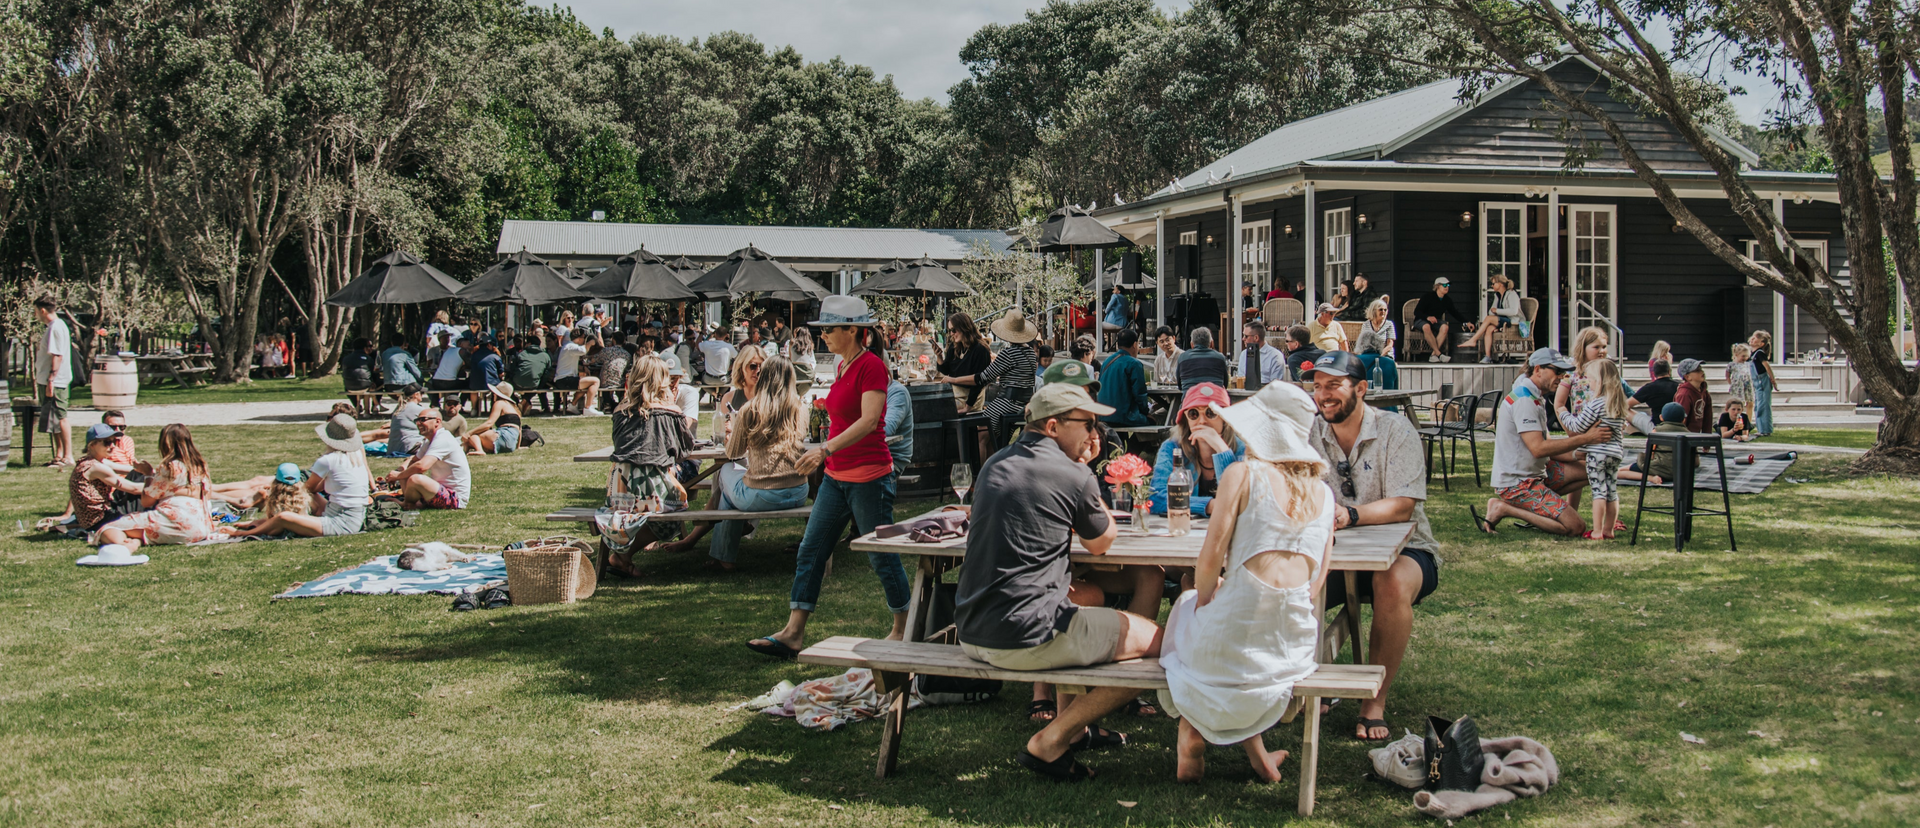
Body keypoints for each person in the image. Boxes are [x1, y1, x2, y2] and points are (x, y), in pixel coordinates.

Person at [952, 382, 1162, 782]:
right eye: (1086, 424)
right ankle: (1053, 738)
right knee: (1162, 643)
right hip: (1025, 637)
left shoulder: (995, 462)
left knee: (1084, 605)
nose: (1094, 435)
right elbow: (1101, 543)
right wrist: (1083, 470)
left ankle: (1077, 729)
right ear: (1053, 426)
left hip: (973, 630)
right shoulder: (1072, 472)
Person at [1161, 380, 1331, 782]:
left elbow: (1209, 562)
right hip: (1291, 653)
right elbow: (1316, 582)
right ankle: (1258, 757)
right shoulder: (1325, 495)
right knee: (1238, 620)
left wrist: (1204, 598)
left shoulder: (1242, 475)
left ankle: (1190, 727)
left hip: (1232, 650)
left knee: (1186, 607)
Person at [747, 296, 909, 661]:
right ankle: (792, 633)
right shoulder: (841, 365)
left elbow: (869, 421)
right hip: (837, 478)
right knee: (811, 549)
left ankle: (904, 627)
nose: (824, 337)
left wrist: (824, 449)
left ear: (853, 329)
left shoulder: (872, 367)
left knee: (881, 557)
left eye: (830, 329)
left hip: (869, 478)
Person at [1300, 350, 1441, 741]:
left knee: (1391, 582)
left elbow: (1403, 505)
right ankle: (1311, 682)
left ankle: (1373, 701)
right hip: (1332, 553)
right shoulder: (1309, 433)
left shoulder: (1395, 430)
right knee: (1289, 583)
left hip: (1407, 549)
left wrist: (1351, 516)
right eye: (1317, 387)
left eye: (1333, 385)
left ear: (1361, 389)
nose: (1323, 395)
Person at [1474, 348, 1609, 536]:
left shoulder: (1535, 395)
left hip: (1538, 474)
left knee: (1593, 468)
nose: (1562, 377)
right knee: (1576, 527)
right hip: (1518, 484)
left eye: (1564, 372)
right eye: (1557, 371)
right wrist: (1587, 438)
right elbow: (1539, 449)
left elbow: (1548, 448)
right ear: (1538, 370)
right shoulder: (1524, 400)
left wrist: (1581, 454)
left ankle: (1548, 507)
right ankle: (1504, 508)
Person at [603, 357, 695, 576]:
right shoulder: (669, 411)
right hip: (652, 482)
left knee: (645, 512)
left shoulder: (621, 410)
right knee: (674, 517)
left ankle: (623, 557)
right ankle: (623, 556)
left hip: (619, 484)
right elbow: (683, 450)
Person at [225, 415, 370, 538]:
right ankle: (264, 523)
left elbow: (309, 488)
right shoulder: (354, 455)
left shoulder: (327, 460)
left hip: (341, 523)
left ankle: (240, 533)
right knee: (302, 503)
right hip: (353, 514)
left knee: (285, 516)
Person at [95, 424, 215, 551]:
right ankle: (136, 540)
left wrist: (148, 475)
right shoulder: (201, 465)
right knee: (140, 529)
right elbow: (207, 495)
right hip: (202, 527)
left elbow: (147, 501)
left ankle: (126, 545)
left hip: (178, 524)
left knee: (108, 529)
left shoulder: (170, 467)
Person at [1151, 383, 1244, 516]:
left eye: (1210, 413)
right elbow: (1155, 498)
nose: (1202, 421)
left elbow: (1241, 499)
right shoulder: (1173, 447)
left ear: (1225, 418)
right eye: (1193, 414)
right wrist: (1209, 506)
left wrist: (1222, 450)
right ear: (1186, 420)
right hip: (1183, 529)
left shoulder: (1242, 449)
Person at [953, 310, 1040, 449]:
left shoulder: (1008, 353)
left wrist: (954, 380)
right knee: (994, 438)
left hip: (1008, 402)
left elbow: (983, 378)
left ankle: (983, 470)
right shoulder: (1030, 352)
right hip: (1024, 403)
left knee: (981, 435)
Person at [1566, 358, 1632, 540]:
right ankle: (1609, 530)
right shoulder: (1619, 404)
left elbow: (1577, 426)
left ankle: (1596, 531)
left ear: (1600, 382)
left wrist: (1561, 412)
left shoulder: (1596, 404)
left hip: (1597, 454)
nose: (1589, 384)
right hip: (1615, 453)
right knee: (1612, 491)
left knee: (1599, 491)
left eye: (1591, 380)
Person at [380, 407, 471, 510]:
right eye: (417, 420)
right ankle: (410, 501)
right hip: (439, 490)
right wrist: (401, 470)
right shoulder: (429, 441)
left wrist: (398, 476)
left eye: (423, 420)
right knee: (407, 471)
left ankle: (408, 504)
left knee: (415, 479)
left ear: (437, 421)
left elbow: (422, 467)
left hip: (455, 499)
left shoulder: (443, 439)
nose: (418, 423)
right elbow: (414, 460)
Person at [68, 423, 146, 534]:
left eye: (113, 441)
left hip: (96, 516)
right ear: (92, 445)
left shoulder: (91, 461)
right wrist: (162, 485)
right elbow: (134, 488)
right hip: (99, 521)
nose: (113, 446)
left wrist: (151, 472)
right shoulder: (95, 467)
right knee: (145, 491)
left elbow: (129, 470)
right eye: (107, 442)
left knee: (136, 475)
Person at [34, 297, 74, 466]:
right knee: (53, 418)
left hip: (56, 381)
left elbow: (57, 355)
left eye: (36, 310)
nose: (35, 314)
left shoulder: (56, 327)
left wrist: (51, 379)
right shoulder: (54, 327)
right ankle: (59, 454)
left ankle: (68, 455)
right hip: (49, 379)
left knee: (60, 417)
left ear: (42, 310)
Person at [1552, 327, 1614, 429]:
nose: (1601, 351)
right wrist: (1570, 431)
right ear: (1583, 348)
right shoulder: (1572, 373)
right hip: (1582, 428)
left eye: (1604, 346)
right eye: (1596, 347)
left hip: (1606, 428)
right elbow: (1559, 403)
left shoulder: (1608, 372)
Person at [1095, 329, 1153, 427]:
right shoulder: (1134, 363)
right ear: (1135, 345)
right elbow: (1140, 394)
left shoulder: (1107, 361)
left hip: (1102, 415)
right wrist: (1146, 412)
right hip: (1124, 416)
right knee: (1153, 420)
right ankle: (1135, 443)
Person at [936, 312, 992, 412]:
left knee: (936, 409)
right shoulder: (955, 347)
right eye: (950, 330)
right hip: (954, 393)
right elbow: (946, 370)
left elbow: (980, 381)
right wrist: (939, 357)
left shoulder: (980, 350)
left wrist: (968, 406)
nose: (951, 334)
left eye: (954, 330)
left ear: (964, 328)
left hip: (971, 398)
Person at [715, 344, 768, 445]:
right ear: (742, 368)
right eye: (752, 366)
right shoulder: (729, 399)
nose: (758, 371)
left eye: (762, 367)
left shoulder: (771, 398)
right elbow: (723, 435)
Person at [1461, 274, 1522, 361]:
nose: (1492, 286)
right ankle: (1488, 356)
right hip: (1503, 320)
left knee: (1489, 318)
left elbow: (1514, 311)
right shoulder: (1498, 296)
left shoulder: (1512, 294)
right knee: (1489, 329)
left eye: (1493, 284)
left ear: (1500, 284)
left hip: (1513, 321)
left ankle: (1473, 340)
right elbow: (1491, 311)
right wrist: (1495, 310)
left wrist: (1497, 311)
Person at [1412, 277, 1471, 362]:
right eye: (1444, 285)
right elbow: (1417, 312)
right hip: (1421, 320)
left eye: (1448, 285)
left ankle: (1433, 355)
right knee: (1426, 326)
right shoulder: (1427, 296)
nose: (1447, 287)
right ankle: (1439, 354)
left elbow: (1454, 313)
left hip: (1435, 322)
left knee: (1445, 327)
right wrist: (1427, 317)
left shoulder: (1447, 300)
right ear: (1437, 286)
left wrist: (1466, 322)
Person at [463, 382, 525, 455]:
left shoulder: (500, 403)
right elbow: (519, 430)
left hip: (502, 436)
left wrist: (469, 433)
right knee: (474, 441)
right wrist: (517, 447)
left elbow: (489, 423)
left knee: (473, 437)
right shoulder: (514, 408)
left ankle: (479, 450)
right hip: (511, 444)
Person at [1354, 299, 1399, 389]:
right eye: (1380, 310)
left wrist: (1380, 356)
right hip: (1369, 354)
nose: (1383, 312)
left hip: (1385, 355)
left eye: (1385, 310)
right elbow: (1363, 342)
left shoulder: (1389, 324)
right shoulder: (1366, 324)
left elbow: (1390, 344)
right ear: (1374, 311)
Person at [555, 330, 602, 416]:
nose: (584, 341)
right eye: (583, 338)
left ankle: (573, 405)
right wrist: (590, 343)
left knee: (588, 383)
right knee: (596, 381)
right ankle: (588, 408)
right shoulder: (571, 346)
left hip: (564, 379)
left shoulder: (568, 347)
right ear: (579, 338)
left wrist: (584, 368)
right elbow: (583, 350)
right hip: (565, 380)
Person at [507, 334, 553, 413]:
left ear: (529, 344)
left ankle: (518, 402)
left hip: (517, 382)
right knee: (537, 383)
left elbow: (512, 369)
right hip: (533, 384)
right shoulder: (546, 356)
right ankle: (527, 401)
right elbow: (547, 373)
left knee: (506, 384)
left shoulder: (521, 354)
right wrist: (540, 386)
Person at [1174, 327, 1229, 391]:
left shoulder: (1182, 358)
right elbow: (1225, 385)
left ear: (1192, 344)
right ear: (1211, 343)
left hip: (1190, 399)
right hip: (1215, 399)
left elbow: (1180, 386)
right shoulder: (1220, 358)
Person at [1237, 321, 1286, 392]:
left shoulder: (1275, 356)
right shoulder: (1244, 354)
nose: (1243, 339)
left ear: (1256, 338)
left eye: (1246, 336)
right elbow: (1241, 377)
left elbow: (1276, 384)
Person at [1674, 358, 1714, 434]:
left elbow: (1708, 418)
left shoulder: (1704, 392)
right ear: (1687, 377)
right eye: (1697, 370)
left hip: (1696, 435)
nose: (1702, 372)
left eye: (1701, 369)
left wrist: (1707, 441)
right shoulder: (1684, 394)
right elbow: (1681, 420)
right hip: (1685, 437)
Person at [1748, 330, 1777, 435]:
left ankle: (1765, 430)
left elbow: (1767, 367)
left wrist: (1773, 380)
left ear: (1761, 344)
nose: (1752, 339)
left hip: (1762, 381)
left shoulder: (1760, 354)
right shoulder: (1753, 354)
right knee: (1758, 405)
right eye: (1752, 337)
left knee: (1763, 405)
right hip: (1756, 382)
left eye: (1755, 338)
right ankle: (1761, 429)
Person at [1727, 343, 1756, 411]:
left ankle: (1748, 420)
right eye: (1743, 356)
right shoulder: (1732, 364)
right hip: (1738, 386)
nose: (1745, 358)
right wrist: (1731, 383)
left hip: (1748, 385)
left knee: (1750, 402)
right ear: (1736, 354)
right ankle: (1739, 418)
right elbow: (1727, 375)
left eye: (1747, 356)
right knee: (1739, 403)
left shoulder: (1748, 364)